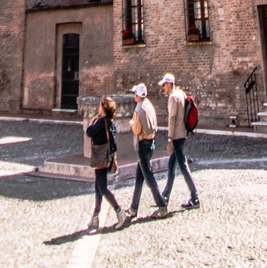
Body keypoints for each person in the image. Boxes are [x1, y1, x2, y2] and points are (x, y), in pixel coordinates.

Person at [123, 82, 167, 223]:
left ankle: (162, 206)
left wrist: (131, 124)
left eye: (134, 94)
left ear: (137, 95)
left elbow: (136, 129)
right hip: (151, 143)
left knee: (148, 178)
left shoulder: (138, 109)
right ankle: (133, 208)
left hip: (143, 145)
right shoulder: (148, 105)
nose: (134, 96)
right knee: (139, 177)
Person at [159, 73, 200, 209]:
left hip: (176, 136)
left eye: (164, 85)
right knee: (171, 166)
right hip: (182, 133)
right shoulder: (181, 94)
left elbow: (172, 118)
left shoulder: (173, 97)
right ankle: (165, 195)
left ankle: (195, 197)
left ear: (169, 84)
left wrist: (169, 139)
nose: (163, 87)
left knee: (182, 166)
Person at [85, 95, 123, 231]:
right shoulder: (111, 122)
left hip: (100, 157)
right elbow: (113, 143)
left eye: (100, 106)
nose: (98, 108)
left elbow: (89, 132)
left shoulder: (101, 122)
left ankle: (119, 211)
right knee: (98, 186)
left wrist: (93, 120)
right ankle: (95, 216)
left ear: (103, 108)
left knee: (102, 188)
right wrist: (114, 159)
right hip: (107, 157)